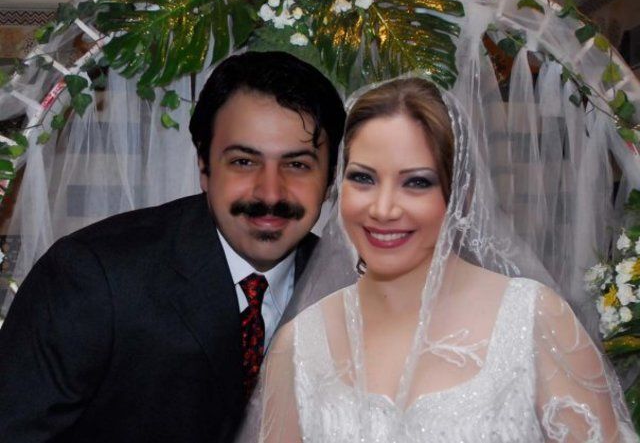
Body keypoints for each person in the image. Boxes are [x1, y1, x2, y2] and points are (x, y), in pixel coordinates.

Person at [238, 77, 638, 442]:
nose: (383, 209)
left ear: (459, 195)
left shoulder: (532, 320)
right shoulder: (300, 347)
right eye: (363, 178)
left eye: (416, 182)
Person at [0, 51, 345, 443]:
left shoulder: (351, 288)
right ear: (204, 167)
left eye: (297, 165)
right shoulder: (93, 277)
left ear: (330, 178)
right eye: (244, 162)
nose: (270, 193)